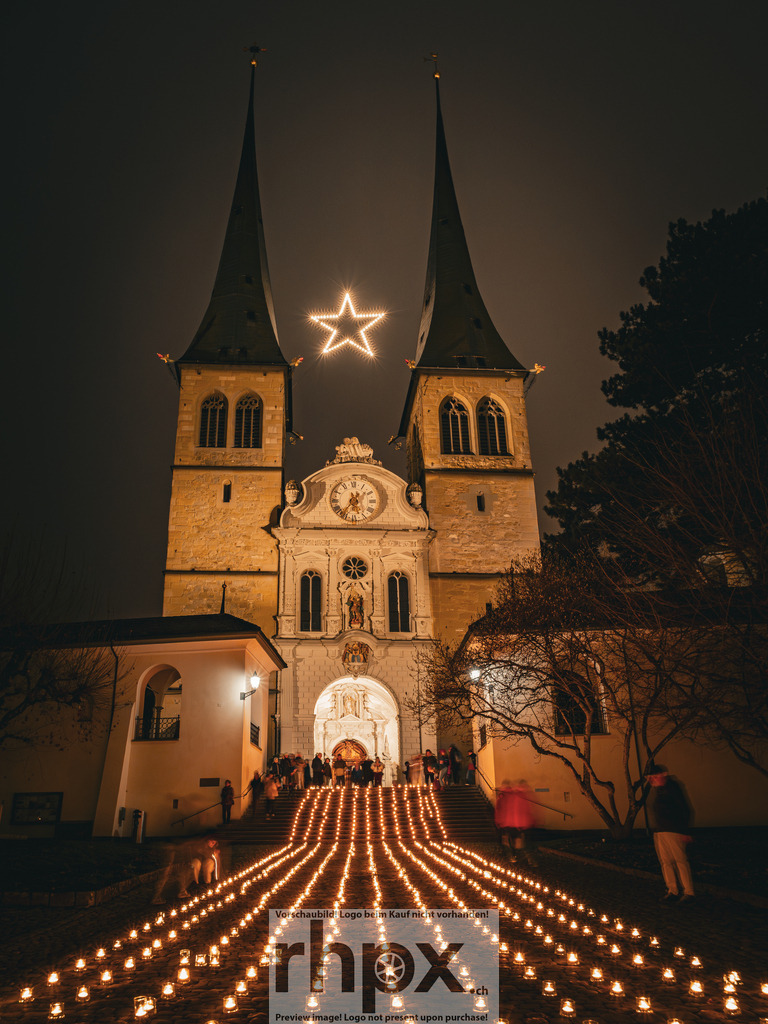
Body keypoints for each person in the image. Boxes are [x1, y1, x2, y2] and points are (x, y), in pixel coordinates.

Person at [645, 763, 695, 904]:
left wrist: (685, 831)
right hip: (660, 831)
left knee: (680, 861)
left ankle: (689, 891)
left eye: (654, 777)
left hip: (673, 830)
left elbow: (684, 809)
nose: (651, 780)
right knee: (666, 862)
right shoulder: (658, 790)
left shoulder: (673, 788)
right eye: (649, 778)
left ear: (663, 775)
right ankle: (672, 890)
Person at [495, 779, 536, 863]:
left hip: (509, 822)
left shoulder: (504, 795)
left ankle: (513, 856)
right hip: (516, 822)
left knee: (511, 841)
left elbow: (500, 809)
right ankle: (524, 857)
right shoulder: (516, 795)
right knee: (517, 841)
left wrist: (499, 820)